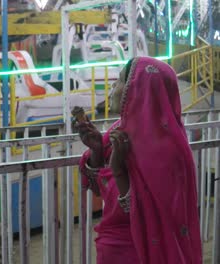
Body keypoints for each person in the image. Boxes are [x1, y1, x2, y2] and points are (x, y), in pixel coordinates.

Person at [76, 57, 202, 263]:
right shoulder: (118, 132)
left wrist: (118, 171)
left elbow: (146, 216)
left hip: (141, 252)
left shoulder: (168, 149)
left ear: (137, 89)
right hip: (111, 249)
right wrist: (97, 150)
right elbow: (99, 190)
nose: (113, 87)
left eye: (119, 81)